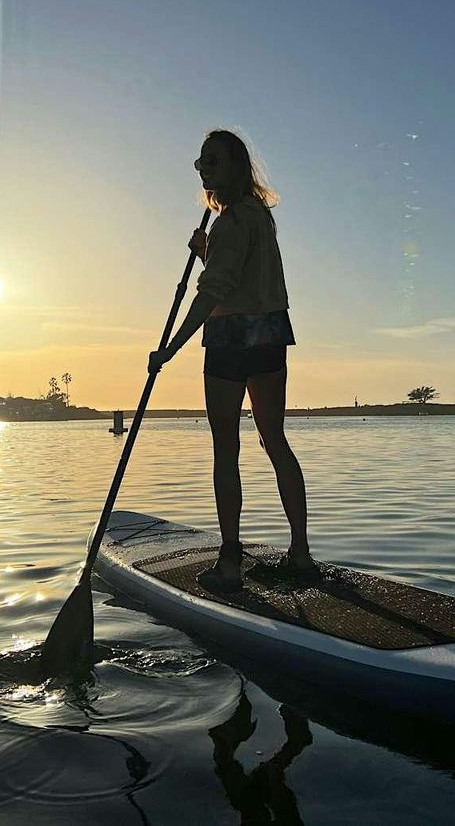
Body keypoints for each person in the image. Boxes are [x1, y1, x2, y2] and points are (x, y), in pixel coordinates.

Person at [148, 129, 317, 591]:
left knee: (228, 447)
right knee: (273, 440)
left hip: (229, 338)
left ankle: (229, 562)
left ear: (236, 167)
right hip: (269, 335)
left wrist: (170, 348)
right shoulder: (257, 216)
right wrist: (208, 254)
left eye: (213, 161)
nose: (204, 168)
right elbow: (235, 277)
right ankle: (300, 553)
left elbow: (214, 295)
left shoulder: (231, 221)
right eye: (200, 162)